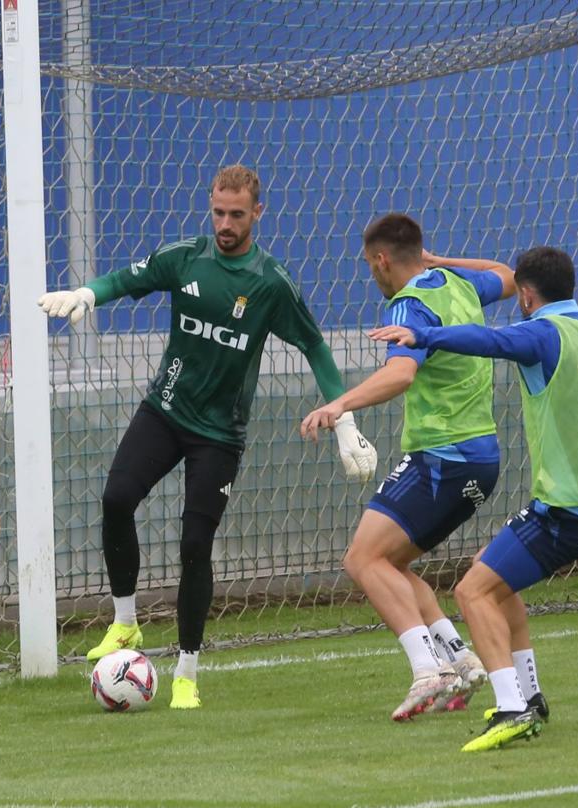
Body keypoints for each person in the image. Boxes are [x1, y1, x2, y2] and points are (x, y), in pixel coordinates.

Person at [38, 165, 378, 710]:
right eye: (218, 211)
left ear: (257, 214)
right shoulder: (186, 258)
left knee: (195, 546)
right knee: (116, 498)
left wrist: (344, 420)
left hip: (219, 434)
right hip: (165, 409)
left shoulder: (271, 282)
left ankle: (187, 673)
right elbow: (126, 280)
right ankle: (125, 625)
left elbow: (314, 346)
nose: (225, 223)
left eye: (236, 214)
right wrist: (86, 293)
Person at [368, 245, 578, 751]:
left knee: (473, 592)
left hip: (567, 510)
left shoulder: (542, 334)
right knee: (490, 573)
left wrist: (422, 333)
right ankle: (532, 696)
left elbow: (485, 341)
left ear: (526, 296)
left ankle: (512, 707)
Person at [301, 213, 516, 721]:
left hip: (444, 457)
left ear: (380, 260)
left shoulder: (410, 304)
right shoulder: (457, 283)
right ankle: (459, 659)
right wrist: (443, 260)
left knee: (362, 560)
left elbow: (399, 374)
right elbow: (507, 275)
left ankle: (428, 671)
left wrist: (340, 405)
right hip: (479, 458)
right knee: (389, 564)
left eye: (368, 266)